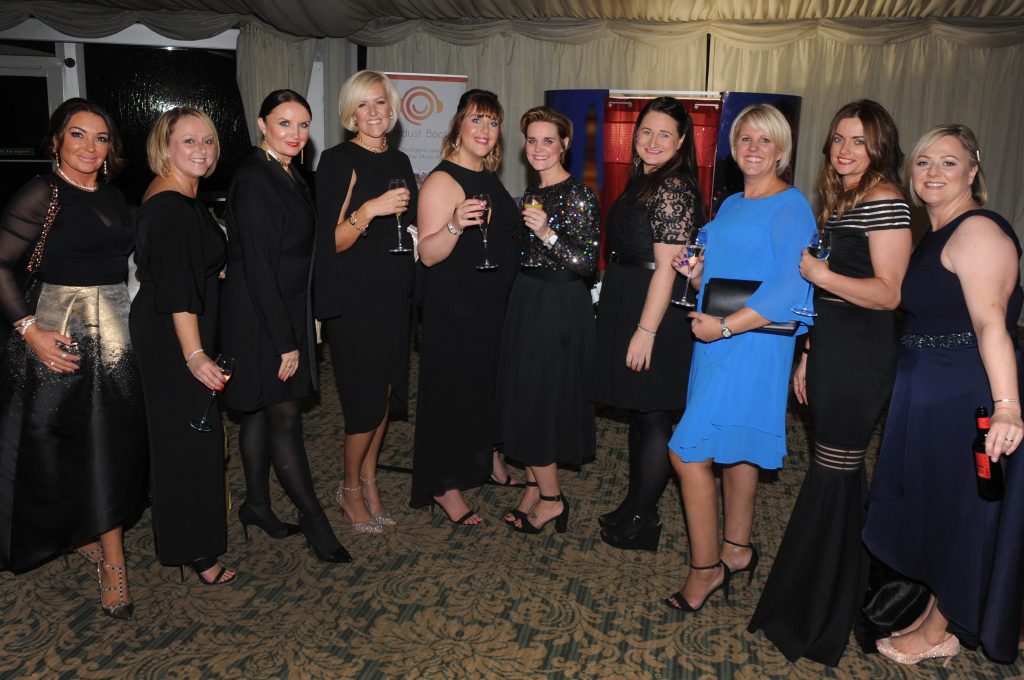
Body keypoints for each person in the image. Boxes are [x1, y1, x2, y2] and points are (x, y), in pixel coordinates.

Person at [747, 100, 911, 665]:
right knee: (834, 476)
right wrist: (809, 352)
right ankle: (836, 597)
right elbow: (836, 295)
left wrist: (819, 273)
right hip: (834, 348)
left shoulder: (886, 200)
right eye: (839, 139)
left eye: (859, 141)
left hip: (862, 356)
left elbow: (889, 293)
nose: (844, 150)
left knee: (834, 475)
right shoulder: (848, 200)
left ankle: (817, 611)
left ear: (880, 148)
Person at [864, 125, 1024, 666]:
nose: (933, 172)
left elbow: (991, 324)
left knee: (962, 510)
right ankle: (937, 609)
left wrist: (1007, 408)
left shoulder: (978, 231)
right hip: (930, 391)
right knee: (937, 504)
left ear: (973, 171)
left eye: (949, 163)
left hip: (967, 395)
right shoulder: (936, 232)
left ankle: (942, 626)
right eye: (924, 162)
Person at [0, 98, 147, 619]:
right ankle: (92, 544)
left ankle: (107, 552)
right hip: (58, 335)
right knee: (55, 443)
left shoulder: (113, 195)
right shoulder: (43, 192)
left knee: (110, 446)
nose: (90, 146)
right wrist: (29, 331)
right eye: (78, 134)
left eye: (101, 137)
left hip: (116, 336)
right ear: (56, 141)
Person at [665, 103, 815, 611]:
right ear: (733, 147)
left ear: (781, 150)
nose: (753, 148)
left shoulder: (791, 205)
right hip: (717, 337)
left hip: (751, 340)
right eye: (745, 138)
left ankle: (705, 570)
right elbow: (720, 279)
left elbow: (790, 287)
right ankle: (736, 549)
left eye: (765, 140)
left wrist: (726, 327)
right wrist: (695, 276)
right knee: (736, 445)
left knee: (686, 453)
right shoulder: (730, 204)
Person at [221, 89, 350, 563]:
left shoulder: (285, 170)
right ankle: (316, 522)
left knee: (259, 410)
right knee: (285, 416)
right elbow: (259, 268)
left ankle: (256, 505)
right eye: (284, 123)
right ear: (262, 124)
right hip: (261, 317)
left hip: (277, 308)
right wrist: (286, 342)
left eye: (303, 125)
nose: (295, 134)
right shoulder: (256, 178)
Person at [129, 107, 236, 585]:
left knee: (181, 437)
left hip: (172, 326)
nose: (201, 149)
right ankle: (197, 553)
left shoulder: (175, 195)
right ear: (165, 147)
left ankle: (188, 542)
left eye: (207, 141)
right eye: (189, 141)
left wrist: (213, 265)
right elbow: (176, 290)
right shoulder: (173, 206)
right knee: (190, 441)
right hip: (174, 336)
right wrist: (194, 355)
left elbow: (181, 263)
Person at [592, 96, 704, 551]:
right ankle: (634, 503)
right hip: (632, 298)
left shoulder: (673, 186)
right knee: (640, 415)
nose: (653, 141)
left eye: (664, 134)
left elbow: (667, 269)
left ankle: (643, 519)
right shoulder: (648, 179)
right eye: (646, 131)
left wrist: (646, 331)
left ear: (681, 141)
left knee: (654, 418)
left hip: (654, 310)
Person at [410, 89, 519, 524]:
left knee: (485, 388)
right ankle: (444, 485)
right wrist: (455, 224)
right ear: (458, 125)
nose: (485, 130)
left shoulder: (486, 176)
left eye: (493, 122)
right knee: (451, 396)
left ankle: (487, 457)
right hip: (455, 309)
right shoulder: (442, 180)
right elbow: (428, 254)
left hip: (489, 304)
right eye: (477, 120)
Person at [314, 70, 416, 535]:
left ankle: (370, 482)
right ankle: (349, 487)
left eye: (380, 102)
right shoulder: (337, 161)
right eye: (363, 104)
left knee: (385, 395)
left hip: (393, 295)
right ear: (350, 113)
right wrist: (368, 210)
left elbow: (403, 230)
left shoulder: (400, 160)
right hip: (355, 302)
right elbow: (329, 243)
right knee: (362, 403)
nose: (374, 112)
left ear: (392, 109)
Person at [497, 106, 599, 534]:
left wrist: (546, 233)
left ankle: (553, 499)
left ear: (565, 145)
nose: (538, 148)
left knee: (540, 401)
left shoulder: (579, 195)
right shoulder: (532, 192)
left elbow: (587, 262)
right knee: (526, 395)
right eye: (532, 140)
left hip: (558, 305)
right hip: (529, 299)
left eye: (548, 141)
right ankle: (533, 489)